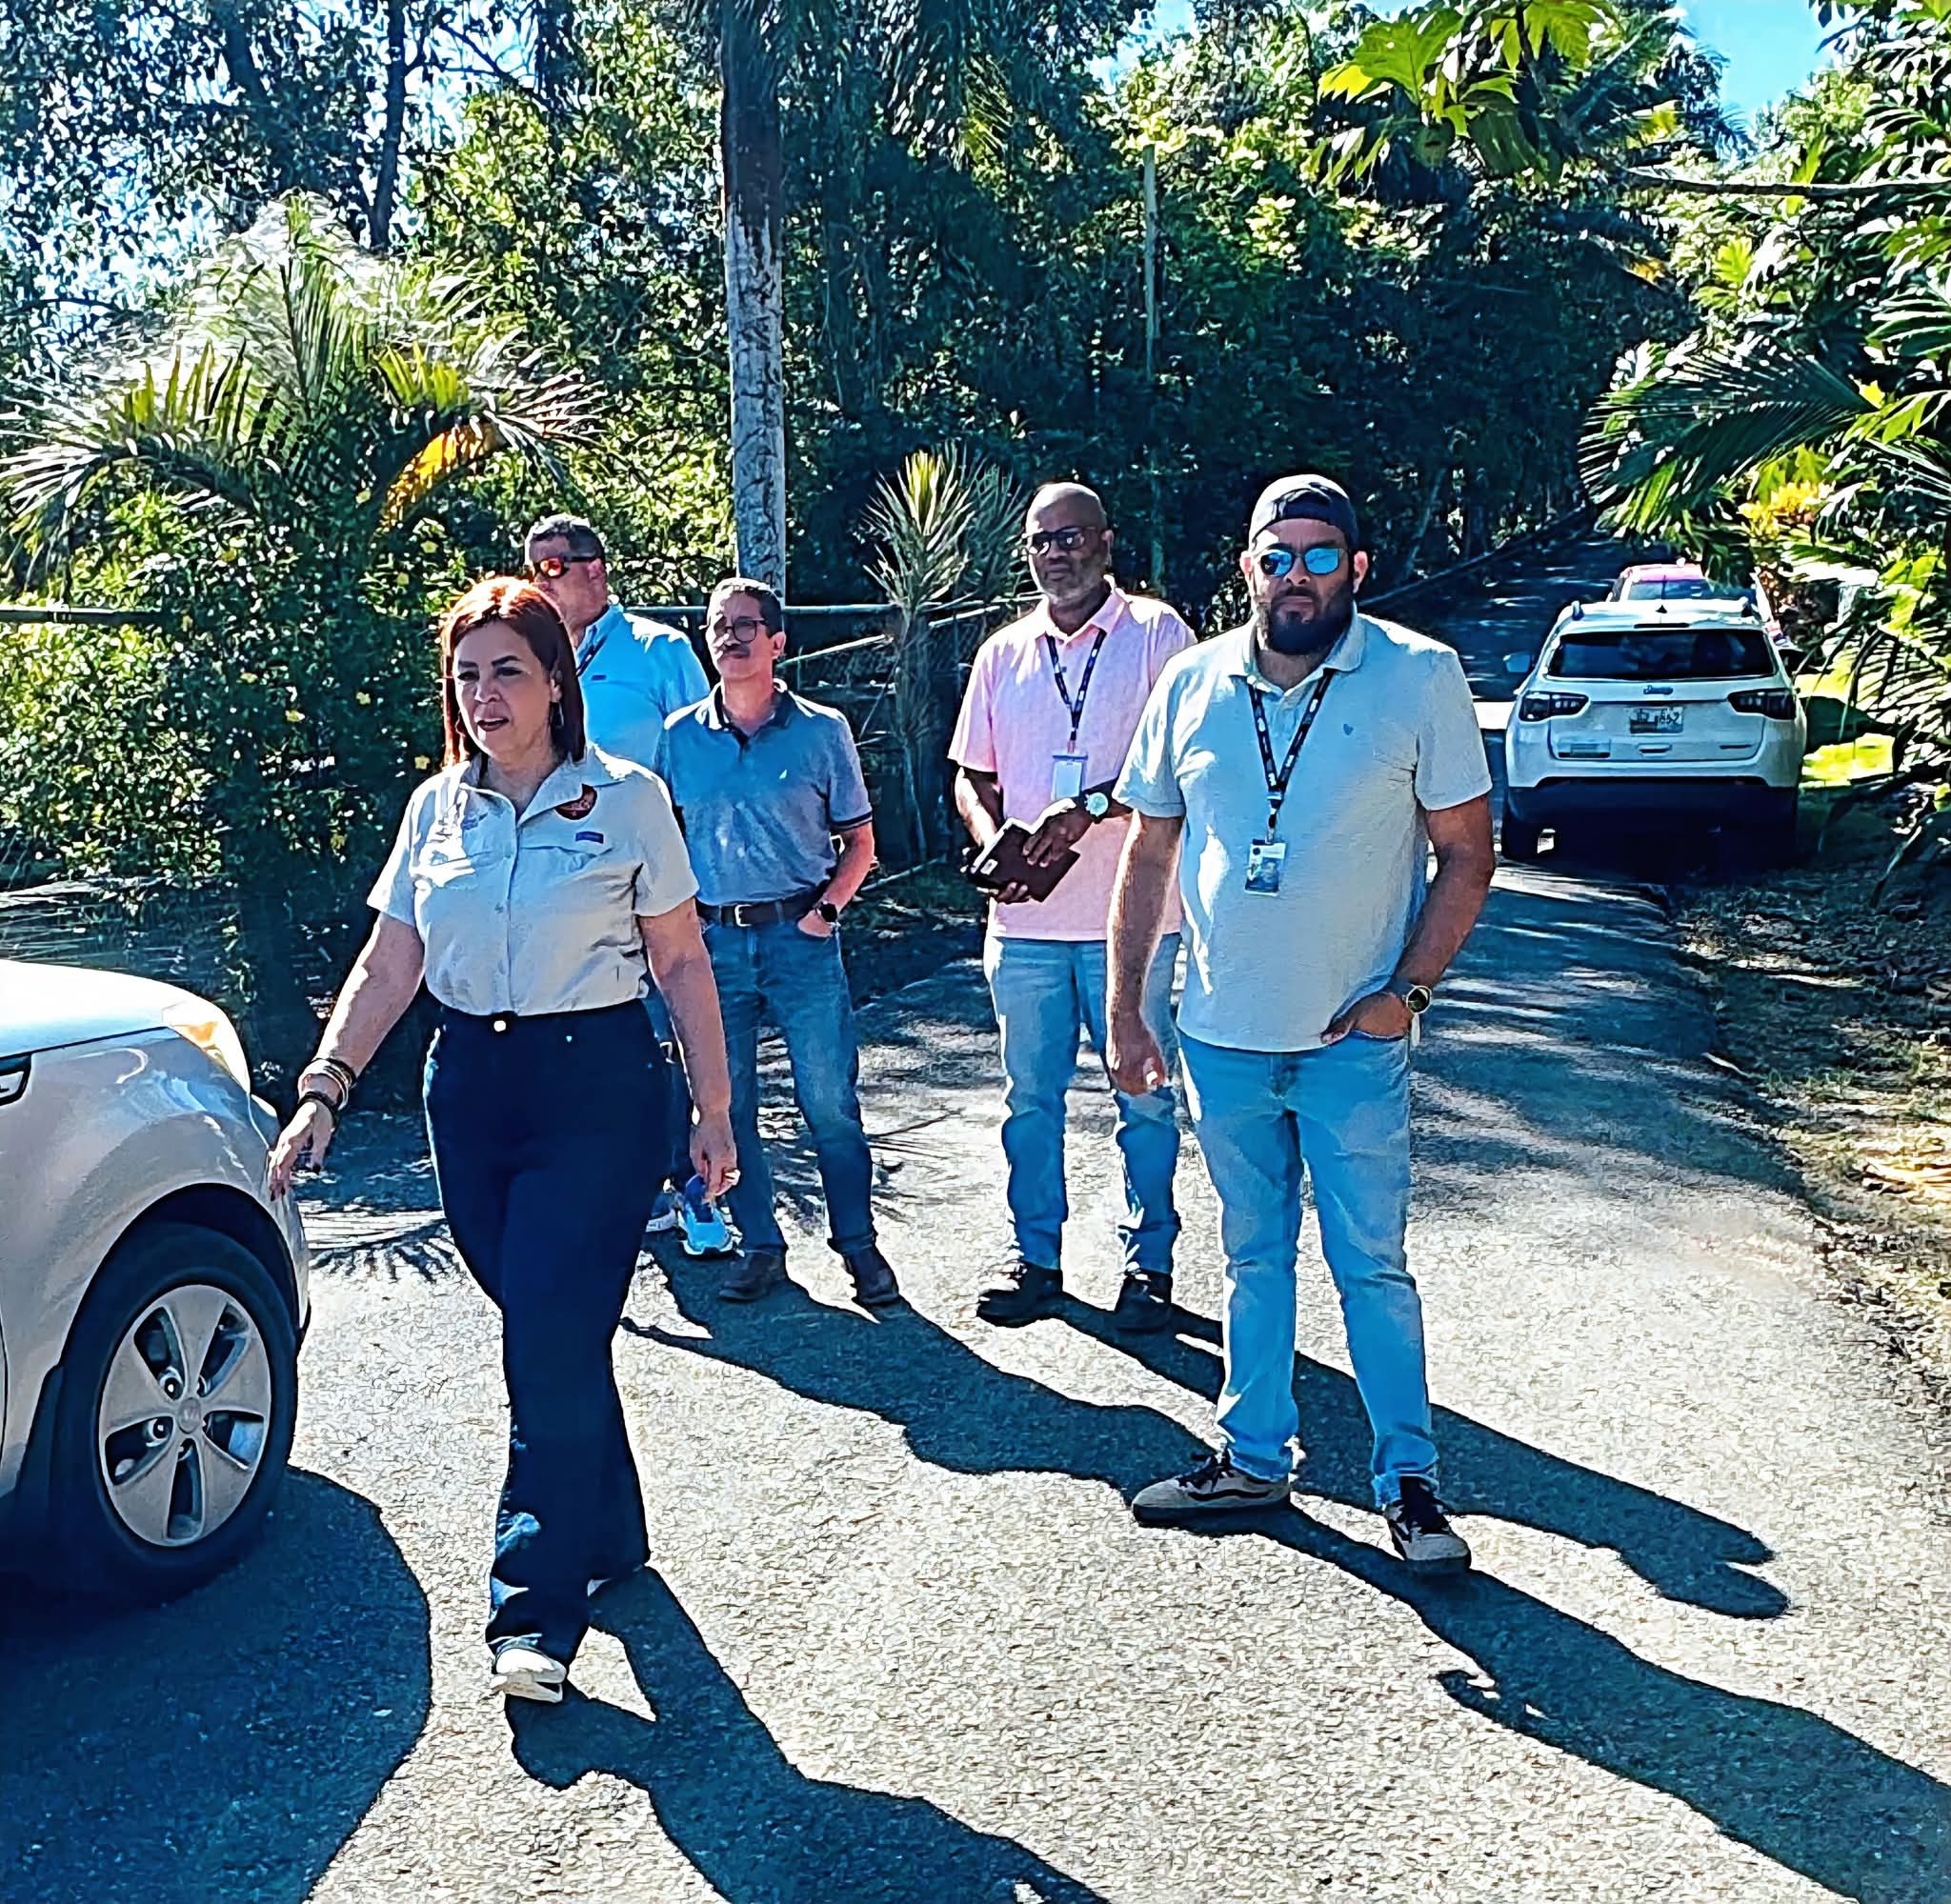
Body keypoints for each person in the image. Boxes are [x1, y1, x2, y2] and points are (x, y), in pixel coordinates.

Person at [267, 576, 736, 1702]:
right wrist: (327, 1086)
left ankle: (533, 1609)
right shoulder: (436, 810)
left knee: (542, 1342)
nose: (484, 693)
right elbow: (391, 964)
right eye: (467, 674)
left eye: (508, 670)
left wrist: (714, 1112)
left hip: (599, 1091)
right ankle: (612, 1529)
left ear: (555, 683)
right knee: (555, 1330)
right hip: (471, 1089)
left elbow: (677, 962)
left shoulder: (624, 800)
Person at [1106, 474, 1496, 1574]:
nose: (1295, 578)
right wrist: (1131, 1010)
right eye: (1275, 558)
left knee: (1369, 1263)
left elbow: (1466, 855)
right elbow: (1147, 855)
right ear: (1245, 567)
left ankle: (1407, 1480)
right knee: (1249, 1253)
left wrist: (1404, 995)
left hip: (1349, 1044)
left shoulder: (1416, 676)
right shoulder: (1189, 682)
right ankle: (1251, 1454)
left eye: (1319, 557)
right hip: (1220, 1037)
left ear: (1355, 570)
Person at [948, 482, 1194, 1333]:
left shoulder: (1159, 636)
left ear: (1107, 542)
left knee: (1143, 1093)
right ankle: (1036, 1258)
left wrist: (1085, 807)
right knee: (1029, 1101)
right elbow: (970, 771)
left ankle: (1149, 1264)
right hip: (1023, 928)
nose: (1057, 553)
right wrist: (990, 833)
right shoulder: (1002, 653)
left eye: (1073, 536)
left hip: (1134, 922)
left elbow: (1180, 764)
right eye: (1042, 540)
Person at [653, 577, 899, 1310]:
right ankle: (760, 1244)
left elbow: (860, 841)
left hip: (801, 939)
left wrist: (825, 912)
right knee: (727, 1108)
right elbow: (663, 842)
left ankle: (858, 1246)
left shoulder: (821, 731)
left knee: (829, 1102)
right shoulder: (678, 738)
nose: (730, 638)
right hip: (712, 949)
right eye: (718, 625)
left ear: (778, 641)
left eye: (745, 626)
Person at [523, 512, 724, 1255]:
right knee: (592, 1041)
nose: (539, 581)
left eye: (553, 567)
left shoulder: (657, 650)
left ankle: (697, 1188)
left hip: (651, 881)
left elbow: (700, 760)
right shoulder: (528, 658)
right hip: (558, 891)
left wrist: (695, 879)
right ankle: (614, 1186)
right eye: (530, 567)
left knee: (668, 1034)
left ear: (595, 569)